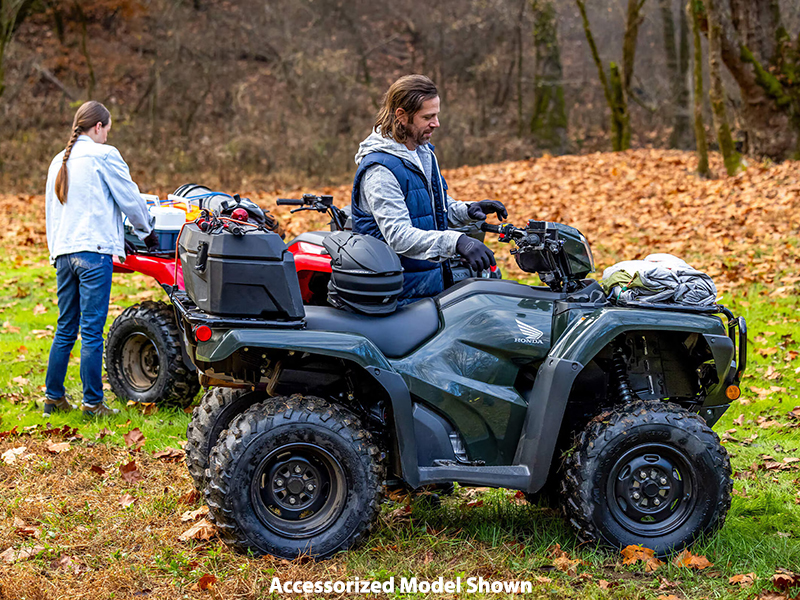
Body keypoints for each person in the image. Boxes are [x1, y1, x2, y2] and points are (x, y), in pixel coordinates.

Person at [43, 101, 157, 417]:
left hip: (64, 253)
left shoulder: (57, 161)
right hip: (93, 253)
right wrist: (146, 230)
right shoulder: (104, 156)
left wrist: (56, 251)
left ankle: (52, 399)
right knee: (92, 331)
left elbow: (51, 213)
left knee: (65, 328)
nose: (107, 136)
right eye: (106, 130)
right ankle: (93, 404)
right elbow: (130, 199)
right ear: (98, 127)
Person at [351, 74, 507, 305]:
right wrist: (457, 242)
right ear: (401, 116)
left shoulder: (422, 152)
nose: (436, 123)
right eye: (428, 117)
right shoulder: (380, 170)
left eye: (436, 115)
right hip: (397, 296)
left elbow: (433, 207)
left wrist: (467, 210)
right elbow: (398, 236)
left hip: (428, 286)